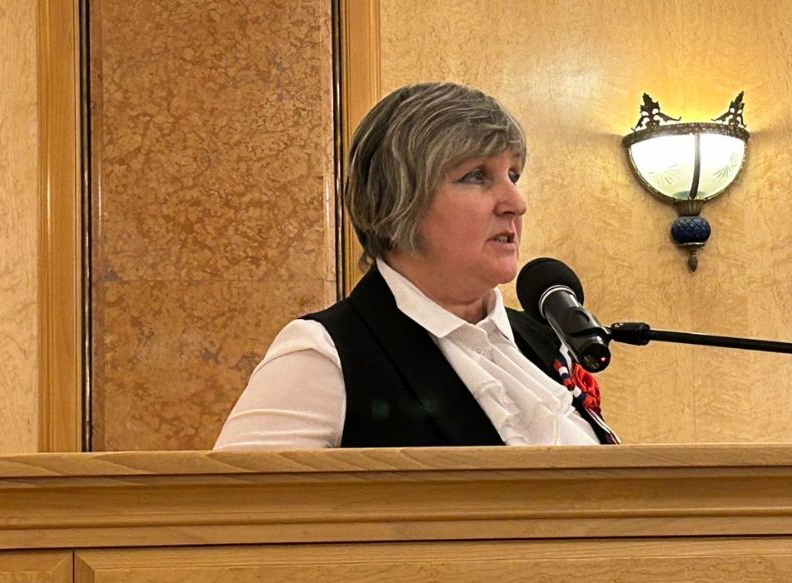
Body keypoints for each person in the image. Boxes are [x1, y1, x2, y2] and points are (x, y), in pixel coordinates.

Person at [215, 82, 618, 449]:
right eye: (475, 176)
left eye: (513, 174)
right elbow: (236, 504)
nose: (516, 202)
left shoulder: (542, 341)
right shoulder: (325, 355)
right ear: (397, 200)